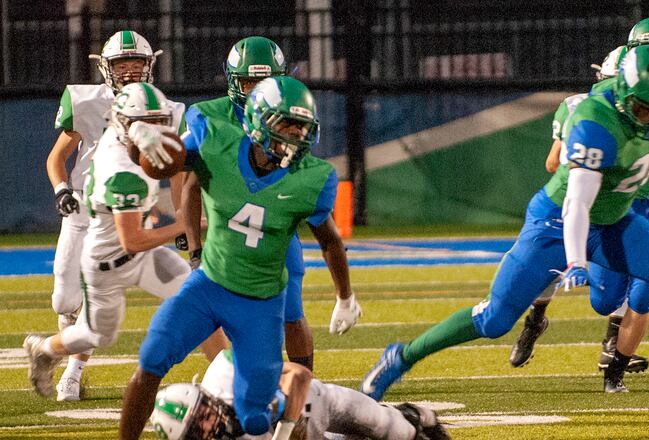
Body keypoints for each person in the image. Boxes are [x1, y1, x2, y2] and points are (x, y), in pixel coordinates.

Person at [361, 45, 649, 401]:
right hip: (556, 221)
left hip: (613, 217)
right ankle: (402, 357)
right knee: (494, 320)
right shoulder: (595, 121)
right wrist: (577, 260)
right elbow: (576, 204)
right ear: (622, 94)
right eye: (645, 108)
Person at [119, 76, 361, 439]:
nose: (296, 136)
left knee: (254, 419)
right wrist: (146, 144)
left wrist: (345, 296)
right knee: (151, 359)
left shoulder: (311, 178)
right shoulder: (214, 140)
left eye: (302, 127)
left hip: (261, 305)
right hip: (209, 286)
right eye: (287, 124)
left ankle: (318, 413)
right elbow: (166, 166)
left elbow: (329, 240)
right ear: (257, 121)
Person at [511, 17, 649, 393]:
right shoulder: (594, 102)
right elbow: (559, 162)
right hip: (613, 208)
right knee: (603, 297)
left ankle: (616, 371)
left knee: (646, 293)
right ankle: (544, 319)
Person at [24, 82, 228, 400]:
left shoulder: (123, 141)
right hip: (107, 264)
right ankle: (45, 348)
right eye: (143, 124)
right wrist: (185, 226)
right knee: (96, 334)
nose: (153, 130)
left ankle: (226, 379)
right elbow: (132, 240)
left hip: (141, 257)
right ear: (121, 124)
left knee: (198, 300)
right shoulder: (121, 170)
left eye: (159, 121)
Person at [180, 36, 324, 371]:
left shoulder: (290, 116)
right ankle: (228, 382)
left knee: (291, 315)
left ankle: (305, 392)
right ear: (233, 83)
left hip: (274, 237)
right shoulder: (209, 119)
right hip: (224, 243)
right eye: (249, 83)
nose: (257, 91)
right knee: (208, 318)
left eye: (266, 82)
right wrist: (194, 250)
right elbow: (189, 186)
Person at [509, 45, 649, 374]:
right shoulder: (578, 107)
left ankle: (612, 342)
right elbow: (552, 162)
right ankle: (535, 321)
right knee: (548, 262)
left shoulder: (641, 118)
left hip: (610, 209)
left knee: (630, 269)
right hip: (573, 204)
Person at [44, 29, 162, 401]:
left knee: (97, 290)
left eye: (136, 62)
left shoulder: (161, 107)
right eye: (122, 63)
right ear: (106, 67)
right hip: (81, 205)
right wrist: (62, 189)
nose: (129, 70)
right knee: (63, 301)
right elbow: (56, 158)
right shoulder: (85, 101)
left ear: (149, 66)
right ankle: (71, 330)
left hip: (122, 213)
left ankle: (74, 374)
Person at [150, 349, 450, 440]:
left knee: (393, 430)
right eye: (196, 429)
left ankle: (411, 415)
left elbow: (299, 374)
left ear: (205, 395)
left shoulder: (225, 372)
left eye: (202, 413)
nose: (207, 425)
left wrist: (281, 408)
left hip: (316, 403)